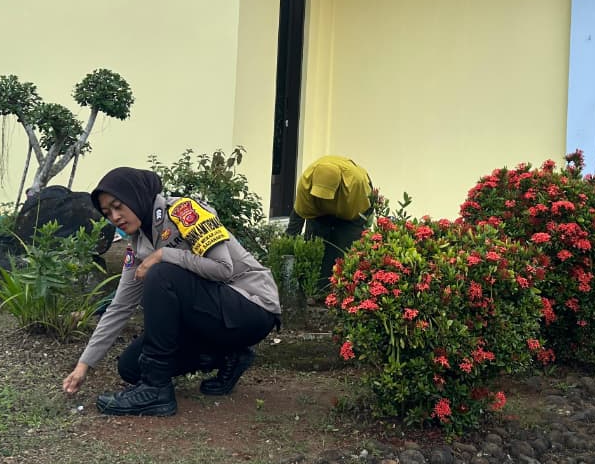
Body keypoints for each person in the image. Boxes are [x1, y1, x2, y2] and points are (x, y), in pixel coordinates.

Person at [62, 167, 281, 417]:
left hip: (252, 307)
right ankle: (228, 354)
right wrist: (83, 366)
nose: (115, 216)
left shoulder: (183, 211)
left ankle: (156, 390)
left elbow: (223, 269)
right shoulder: (139, 245)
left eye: (118, 205)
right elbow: (120, 307)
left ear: (136, 196)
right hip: (215, 316)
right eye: (108, 212)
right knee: (131, 367)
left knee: (161, 273)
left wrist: (165, 254)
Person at [286, 155, 373, 277]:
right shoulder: (306, 183)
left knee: (345, 252)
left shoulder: (357, 184)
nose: (323, 198)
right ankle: (316, 287)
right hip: (318, 212)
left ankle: (343, 285)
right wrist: (287, 247)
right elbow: (298, 215)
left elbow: (362, 217)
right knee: (316, 249)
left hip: (349, 211)